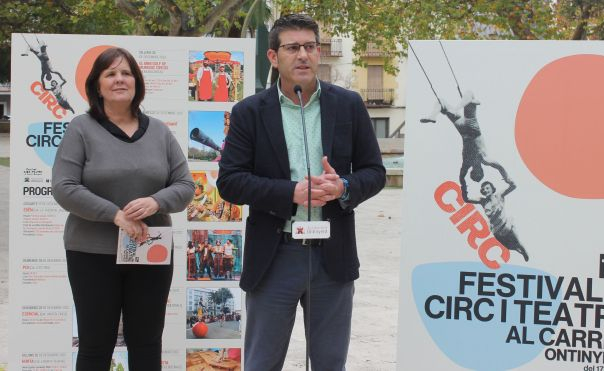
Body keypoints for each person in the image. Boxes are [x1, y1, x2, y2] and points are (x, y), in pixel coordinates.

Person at [217, 14, 386, 371]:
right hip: (275, 253)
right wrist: (290, 192)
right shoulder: (249, 112)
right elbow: (229, 181)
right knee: (262, 363)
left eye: (310, 46)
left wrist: (344, 187)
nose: (304, 55)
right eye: (292, 48)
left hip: (332, 255)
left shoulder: (349, 105)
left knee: (329, 363)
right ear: (274, 58)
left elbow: (375, 172)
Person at [52, 47, 195, 370]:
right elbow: (64, 187)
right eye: (111, 74)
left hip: (151, 251)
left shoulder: (158, 131)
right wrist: (115, 215)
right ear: (97, 85)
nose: (120, 79)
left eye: (126, 73)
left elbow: (185, 185)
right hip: (92, 253)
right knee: (95, 345)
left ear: (137, 82)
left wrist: (156, 201)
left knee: (146, 344)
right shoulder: (81, 129)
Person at [421, 91, 510, 192]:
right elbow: (462, 177)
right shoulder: (470, 163)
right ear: (475, 171)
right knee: (442, 101)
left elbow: (500, 167)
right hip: (465, 130)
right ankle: (435, 115)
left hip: (471, 128)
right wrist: (464, 188)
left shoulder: (483, 160)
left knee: (468, 94)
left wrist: (507, 178)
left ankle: (436, 114)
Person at [463, 180, 530, 262]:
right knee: (509, 247)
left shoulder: (499, 196)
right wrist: (463, 188)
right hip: (497, 232)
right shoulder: (482, 201)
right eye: (483, 189)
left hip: (506, 226)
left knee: (517, 243)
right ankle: (518, 250)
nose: (485, 190)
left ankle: (524, 252)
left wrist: (506, 178)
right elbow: (467, 199)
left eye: (487, 188)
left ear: (492, 189)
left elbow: (513, 186)